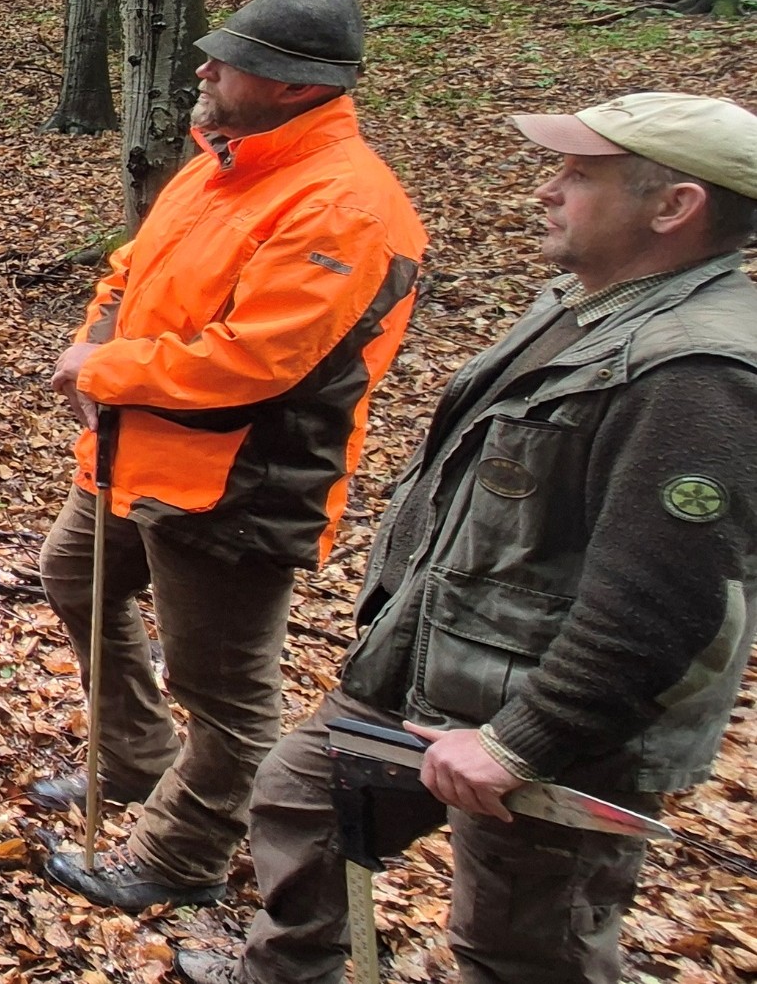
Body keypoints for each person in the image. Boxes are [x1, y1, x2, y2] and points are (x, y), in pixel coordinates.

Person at [174, 93, 757, 984]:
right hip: (441, 670)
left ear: (674, 207)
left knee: (523, 946)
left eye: (577, 175)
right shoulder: (586, 305)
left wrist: (522, 740)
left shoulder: (696, 373)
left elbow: (663, 599)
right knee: (306, 797)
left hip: (559, 722)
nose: (545, 192)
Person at [33, 0, 429, 912]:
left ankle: (183, 855)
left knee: (225, 691)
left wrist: (107, 372)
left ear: (295, 86)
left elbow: (257, 361)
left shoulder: (344, 205)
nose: (206, 70)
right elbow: (131, 267)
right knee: (72, 575)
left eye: (233, 62)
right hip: (136, 458)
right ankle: (133, 757)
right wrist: (96, 341)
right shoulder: (225, 161)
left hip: (242, 483)